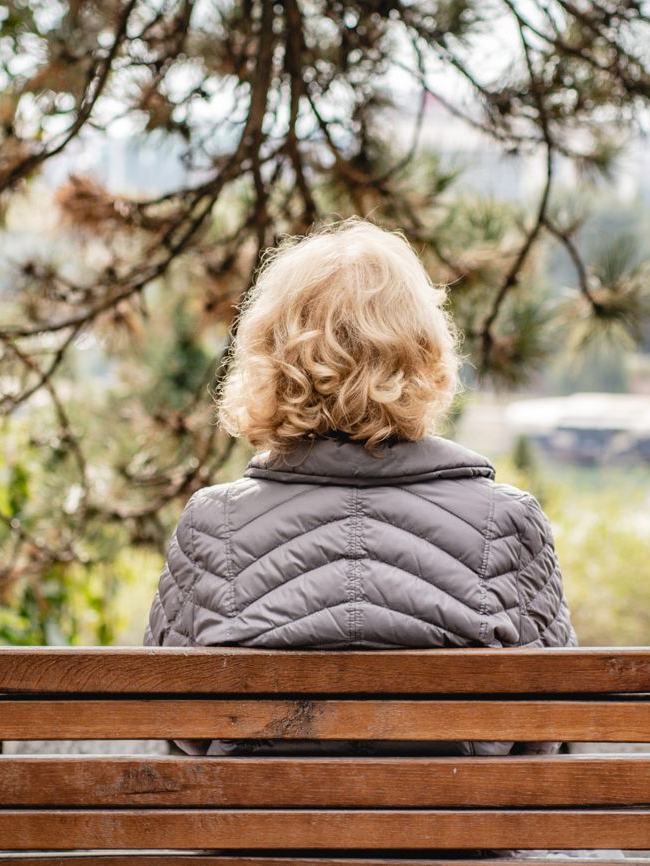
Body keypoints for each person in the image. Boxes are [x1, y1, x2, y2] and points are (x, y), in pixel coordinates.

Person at [143, 216, 576, 761]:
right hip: (456, 840)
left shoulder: (213, 522)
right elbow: (548, 728)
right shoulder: (508, 521)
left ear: (272, 358)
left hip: (258, 841)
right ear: (423, 354)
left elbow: (178, 725)